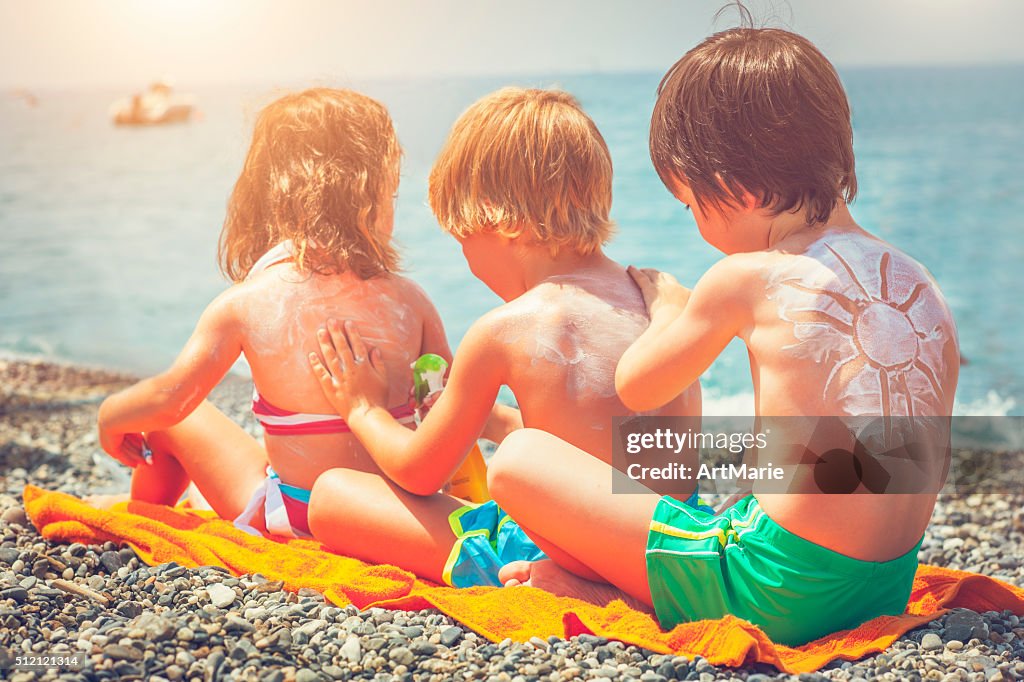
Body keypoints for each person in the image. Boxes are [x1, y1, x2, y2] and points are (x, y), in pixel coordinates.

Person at [491, 27, 960, 646]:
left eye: (690, 205)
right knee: (748, 497)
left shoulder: (745, 278)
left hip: (774, 595)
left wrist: (668, 302)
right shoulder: (916, 282)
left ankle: (614, 594)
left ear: (730, 186)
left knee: (522, 461)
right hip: (883, 584)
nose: (695, 225)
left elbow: (636, 385)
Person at [305, 87, 702, 588]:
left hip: (575, 552)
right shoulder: (654, 298)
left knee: (332, 495)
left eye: (463, 239)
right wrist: (491, 421)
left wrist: (363, 408)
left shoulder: (505, 329)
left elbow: (418, 471)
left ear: (503, 221)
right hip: (674, 544)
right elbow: (600, 446)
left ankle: (524, 576)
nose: (466, 261)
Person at [95, 88, 460, 538]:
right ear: (367, 199)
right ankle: (153, 513)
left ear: (269, 197)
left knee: (174, 424)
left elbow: (169, 402)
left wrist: (110, 416)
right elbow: (448, 411)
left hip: (300, 517)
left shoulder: (245, 304)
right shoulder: (412, 301)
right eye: (392, 196)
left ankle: (141, 518)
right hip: (398, 514)